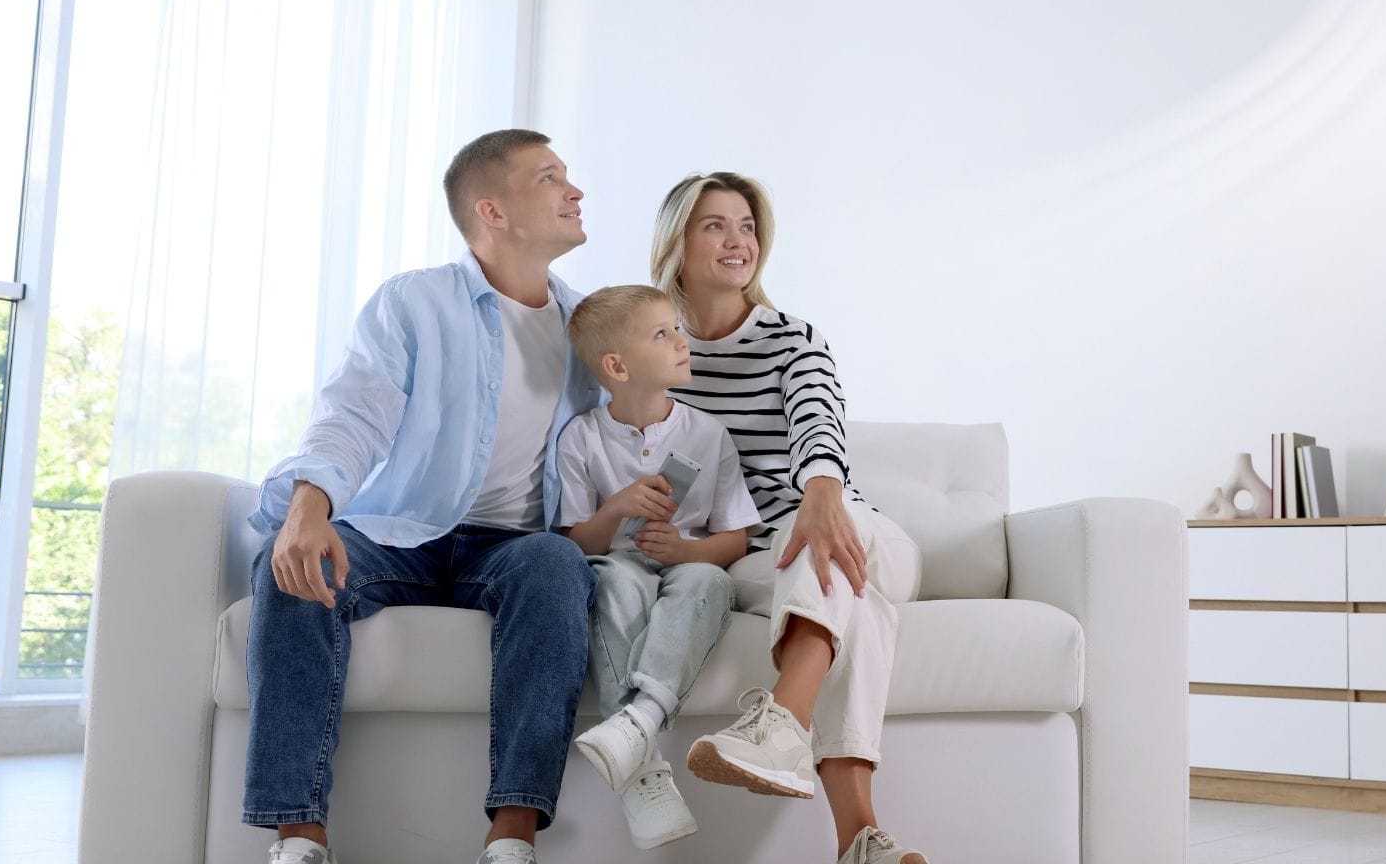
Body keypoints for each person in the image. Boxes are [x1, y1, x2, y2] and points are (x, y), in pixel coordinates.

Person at [244, 129, 599, 864]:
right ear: (492, 211)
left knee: (556, 566)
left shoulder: (589, 327)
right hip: (402, 532)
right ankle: (298, 838)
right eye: (549, 178)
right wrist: (309, 504)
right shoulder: (414, 302)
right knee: (293, 568)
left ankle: (511, 839)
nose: (575, 191)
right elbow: (354, 414)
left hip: (514, 548)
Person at [652, 173, 929, 864]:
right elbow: (659, 461)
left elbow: (817, 417)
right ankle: (860, 842)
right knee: (853, 601)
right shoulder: (657, 350)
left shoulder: (791, 338)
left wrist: (823, 486)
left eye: (746, 226)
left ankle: (782, 722)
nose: (737, 240)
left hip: (857, 529)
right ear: (677, 242)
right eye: (715, 225)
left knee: (825, 539)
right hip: (754, 557)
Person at [554, 283, 759, 850]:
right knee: (614, 583)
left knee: (707, 581)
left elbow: (735, 539)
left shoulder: (708, 434)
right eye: (663, 334)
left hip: (690, 561)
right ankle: (644, 775)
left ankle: (640, 719)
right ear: (617, 367)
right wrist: (615, 508)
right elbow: (575, 543)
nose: (682, 342)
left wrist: (685, 552)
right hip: (616, 563)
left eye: (677, 329)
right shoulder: (581, 438)